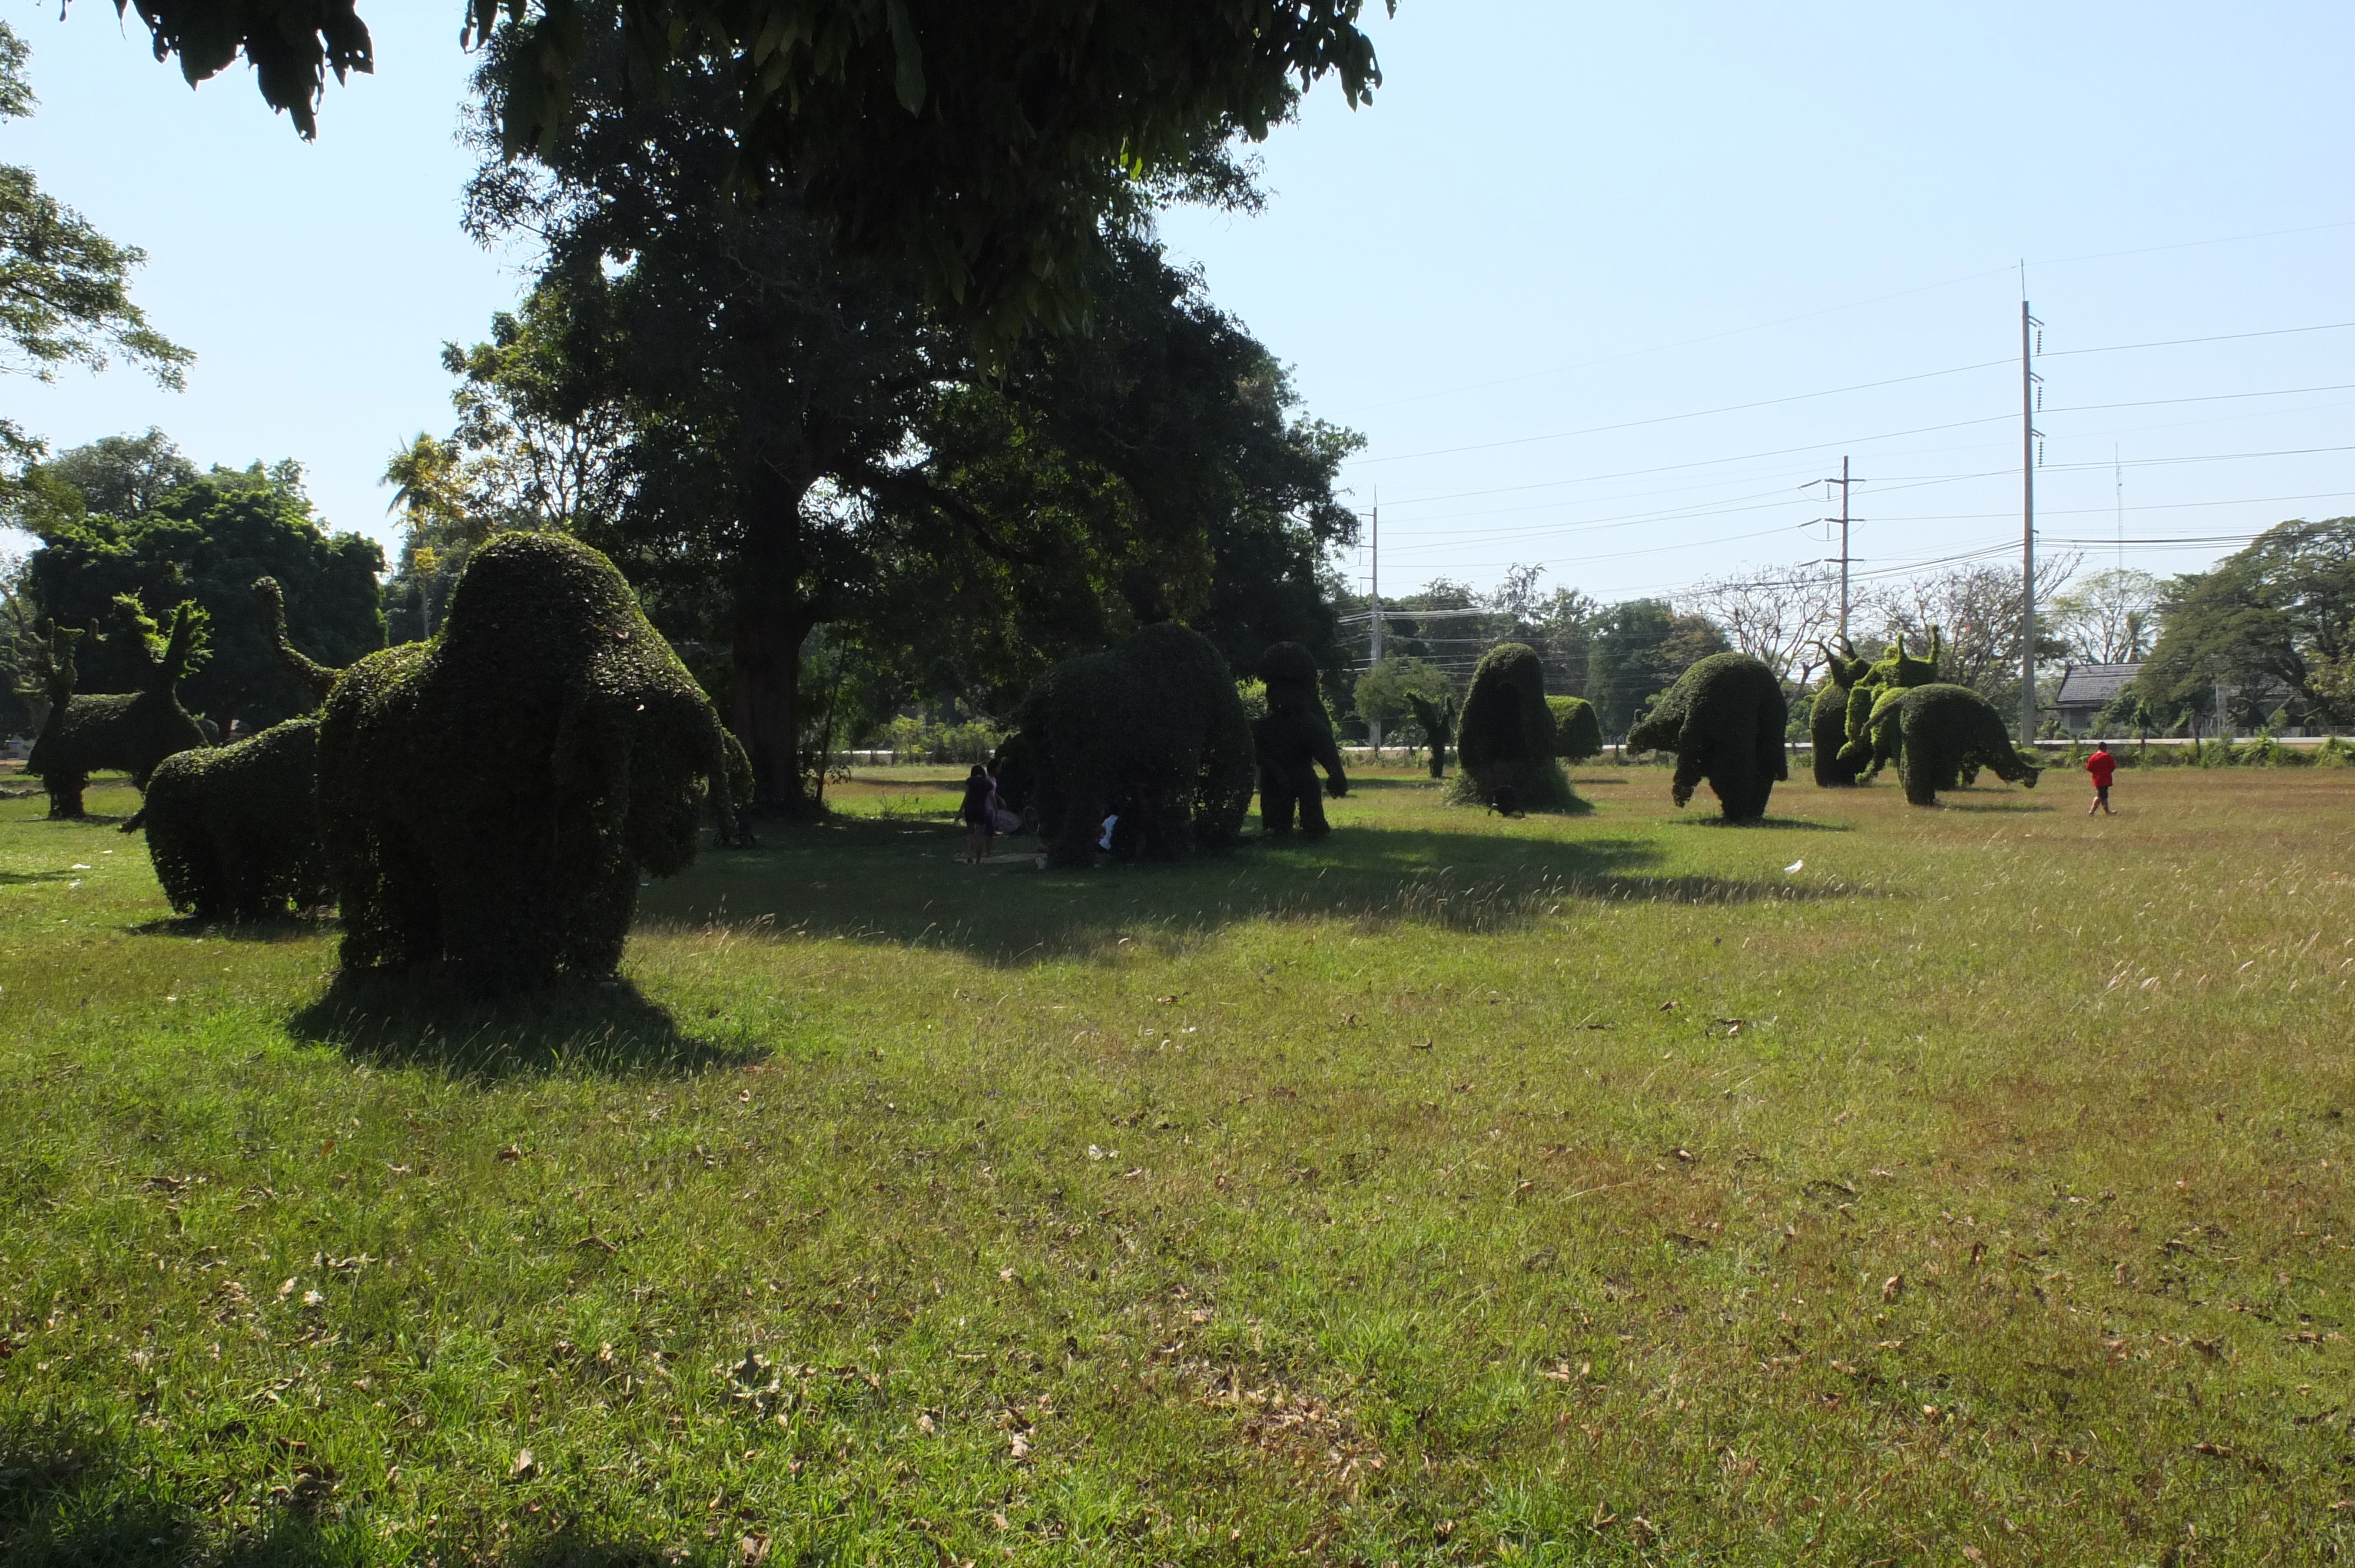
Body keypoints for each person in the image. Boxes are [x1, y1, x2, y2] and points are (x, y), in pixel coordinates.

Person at [959, 763, 997, 862]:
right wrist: (996, 810)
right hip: (981, 809)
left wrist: (960, 811)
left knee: (970, 833)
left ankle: (969, 855)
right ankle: (978, 859)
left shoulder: (970, 782)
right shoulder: (987, 784)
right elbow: (992, 798)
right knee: (980, 834)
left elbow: (966, 797)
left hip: (970, 808)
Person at [2085, 739, 2117, 816]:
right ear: (2105, 748)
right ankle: (2092, 811)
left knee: (2103, 796)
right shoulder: (2107, 756)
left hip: (2097, 779)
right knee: (2100, 796)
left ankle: (2107, 811)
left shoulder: (2093, 757)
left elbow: (2089, 768)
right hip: (2105, 779)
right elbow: (2112, 767)